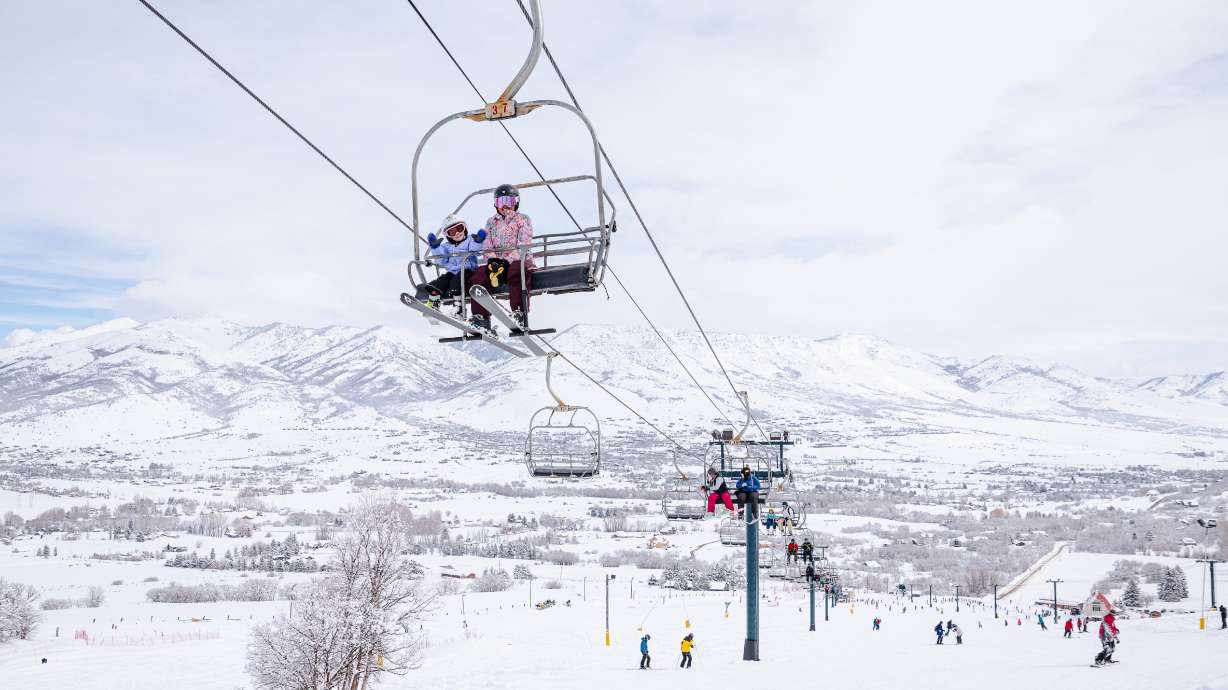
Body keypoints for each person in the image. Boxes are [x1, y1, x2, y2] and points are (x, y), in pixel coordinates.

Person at [468, 184, 536, 332]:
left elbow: (524, 243)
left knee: (517, 271)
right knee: (479, 275)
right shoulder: (491, 222)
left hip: (518, 260)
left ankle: (519, 313)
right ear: (495, 204)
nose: (504, 206)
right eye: (500, 202)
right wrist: (492, 260)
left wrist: (506, 261)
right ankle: (481, 318)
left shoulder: (522, 219)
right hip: (497, 265)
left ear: (516, 203)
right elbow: (487, 244)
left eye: (509, 201)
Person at [424, 215, 487, 307]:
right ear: (448, 235)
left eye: (459, 228)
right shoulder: (446, 246)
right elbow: (442, 260)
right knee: (441, 281)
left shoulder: (470, 240)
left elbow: (476, 251)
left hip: (467, 271)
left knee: (456, 281)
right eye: (452, 232)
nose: (457, 233)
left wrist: (478, 241)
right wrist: (436, 248)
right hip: (452, 272)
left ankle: (458, 307)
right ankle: (433, 302)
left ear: (464, 229)